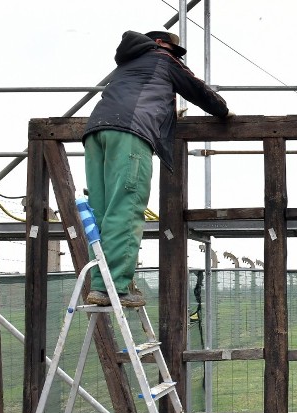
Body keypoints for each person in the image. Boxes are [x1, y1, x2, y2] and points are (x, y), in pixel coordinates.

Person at [83, 30, 232, 307]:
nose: (176, 55)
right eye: (174, 49)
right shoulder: (162, 58)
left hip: (95, 134)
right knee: (126, 209)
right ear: (161, 44)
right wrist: (223, 111)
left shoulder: (127, 65)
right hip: (130, 134)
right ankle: (117, 287)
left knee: (102, 214)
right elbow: (197, 89)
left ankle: (100, 285)